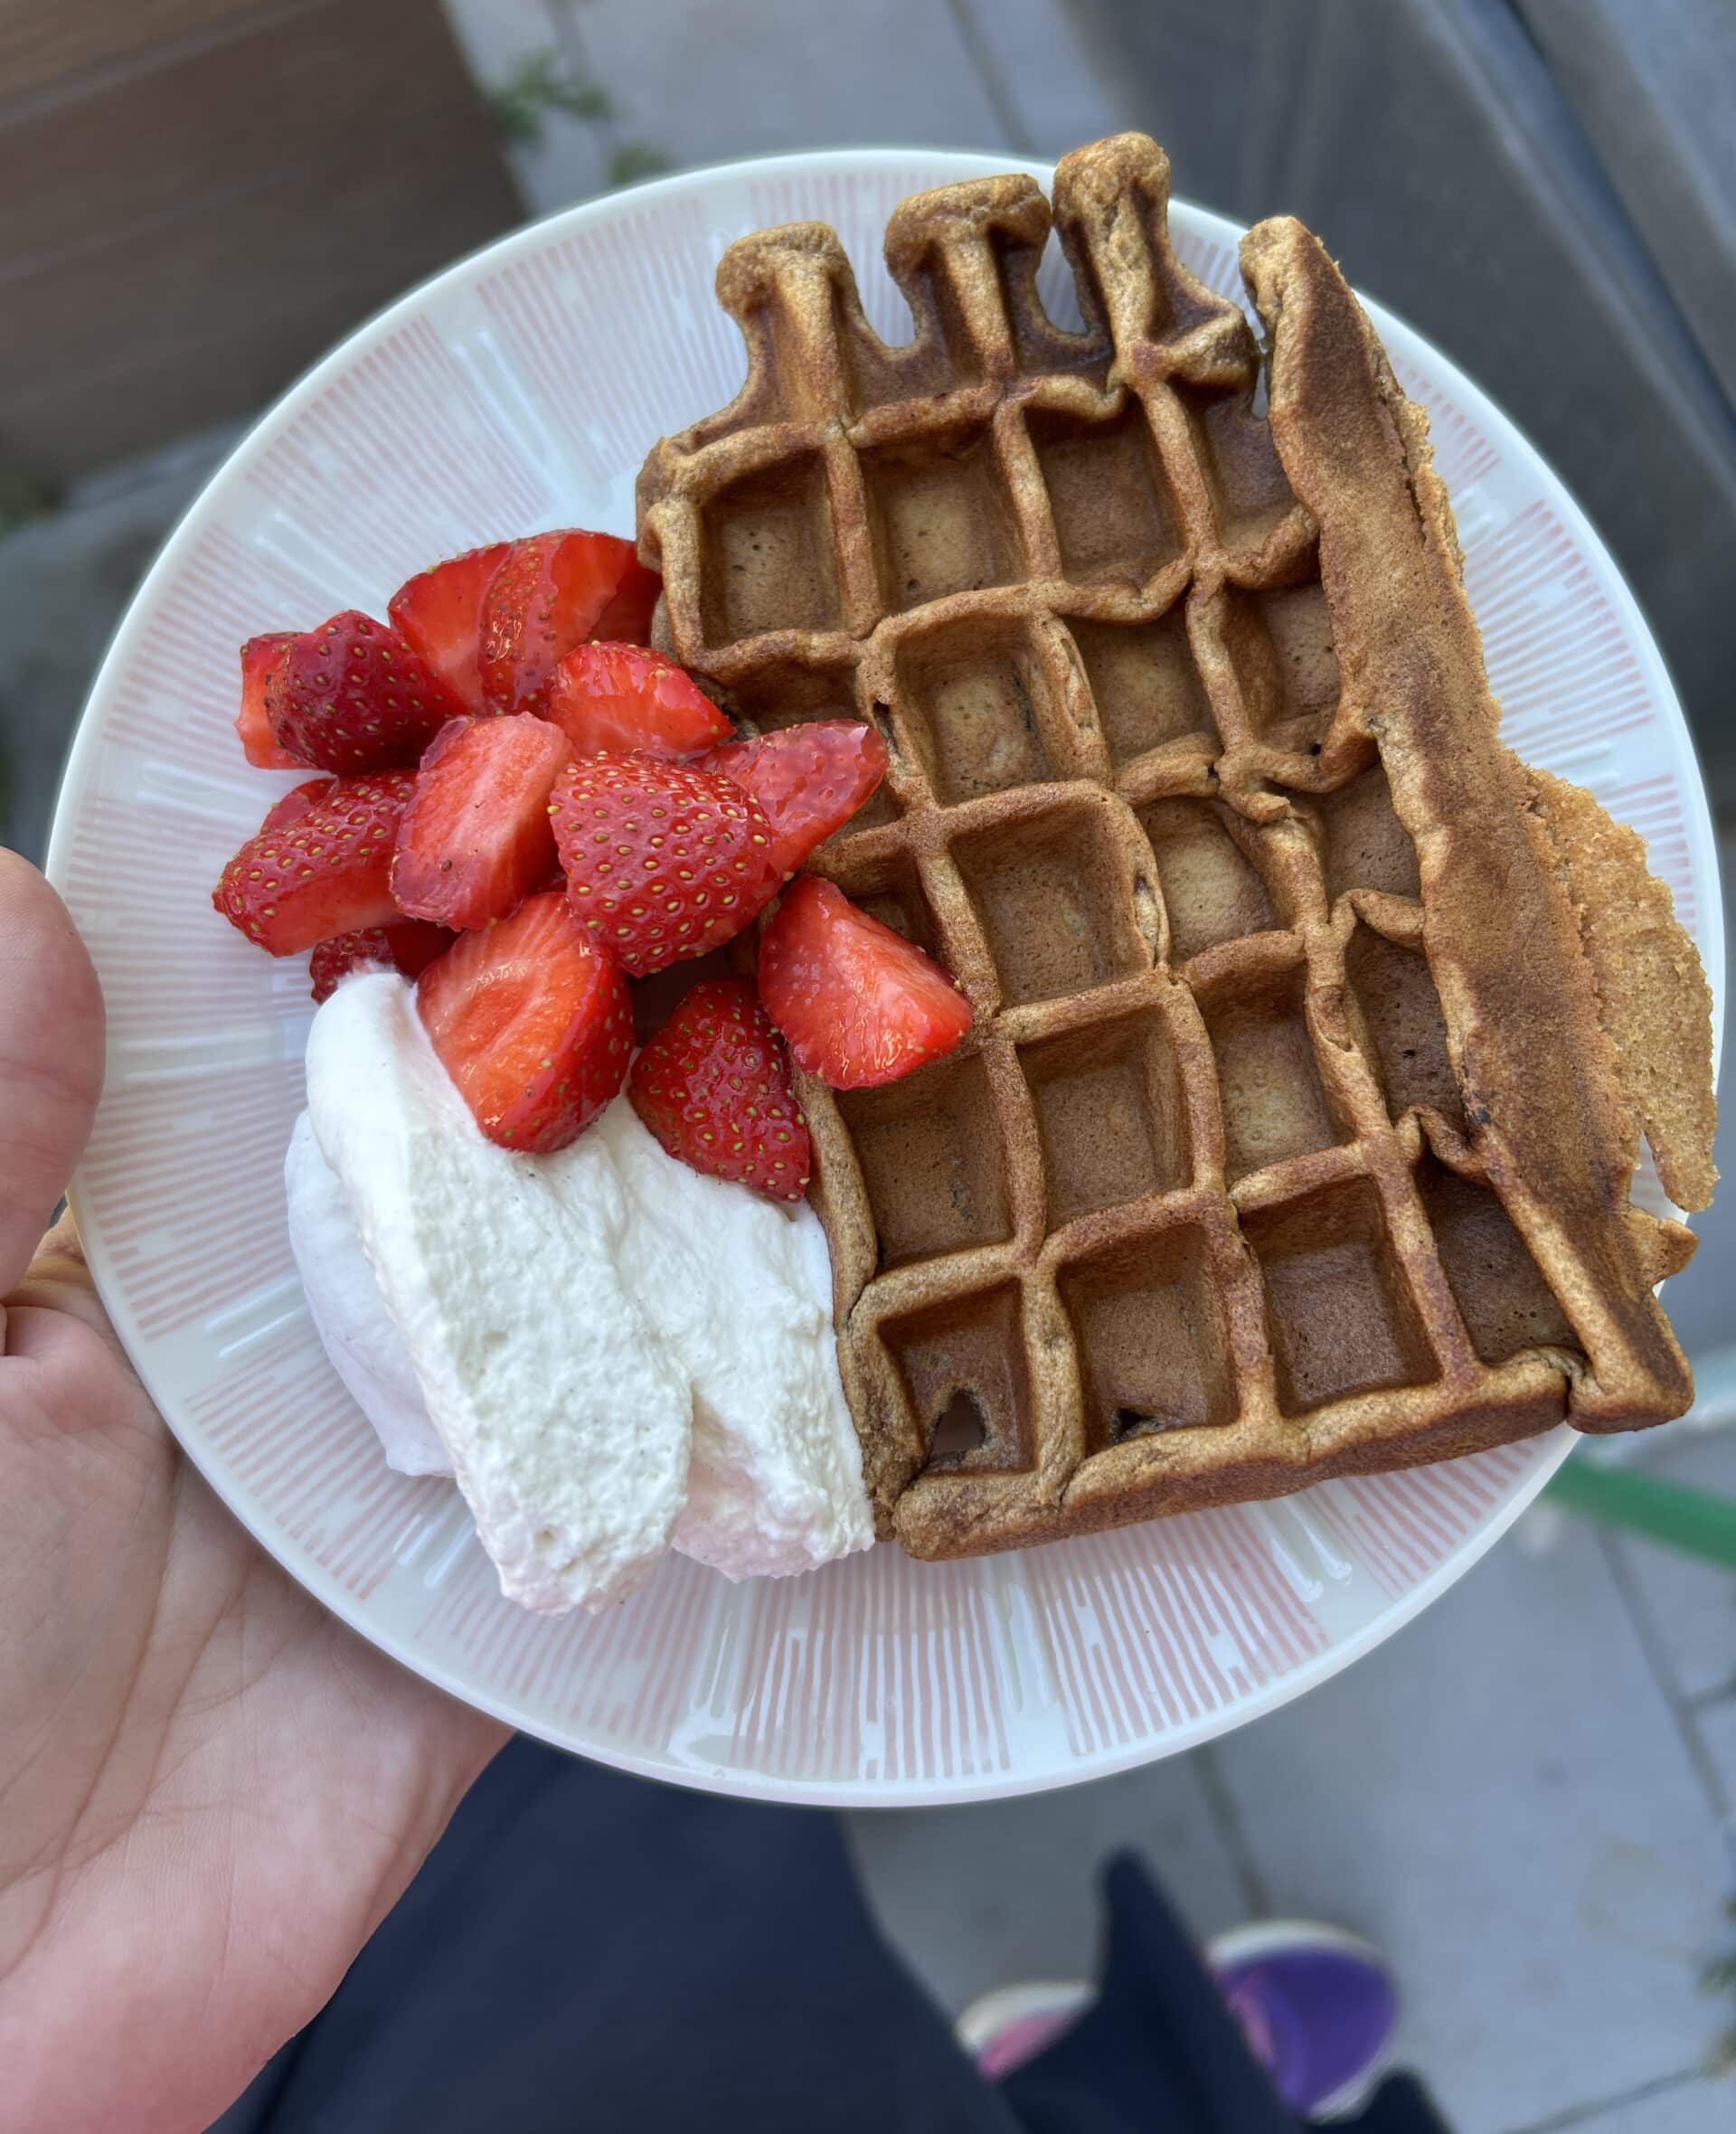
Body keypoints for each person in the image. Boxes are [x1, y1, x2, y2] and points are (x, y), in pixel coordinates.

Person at [0, 851, 1449, 2133]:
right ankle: (1125, 2089)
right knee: (764, 1988)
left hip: (366, 1889)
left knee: (695, 1888)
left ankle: (1097, 2083)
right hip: (569, 1967)